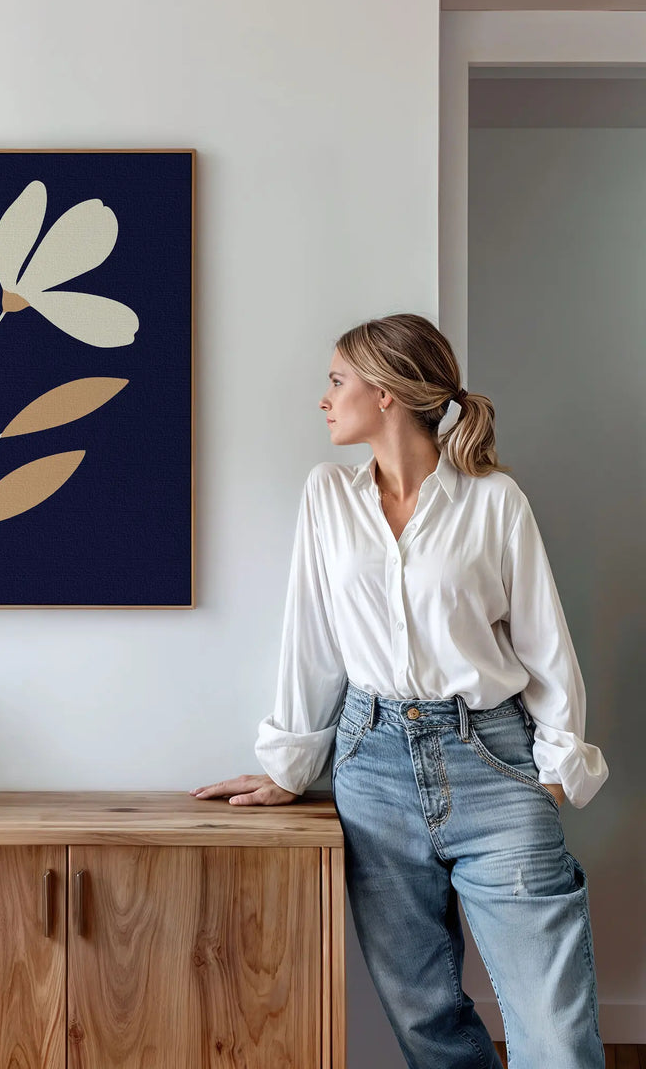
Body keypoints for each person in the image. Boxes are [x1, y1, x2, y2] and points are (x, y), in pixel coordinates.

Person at [191, 314, 609, 1068]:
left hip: (494, 758)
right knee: (426, 1021)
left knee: (555, 1030)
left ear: (385, 394)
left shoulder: (494, 501)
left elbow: (546, 644)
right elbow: (310, 639)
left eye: (336, 380)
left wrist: (554, 770)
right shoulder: (327, 497)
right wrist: (291, 766)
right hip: (371, 765)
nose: (324, 398)